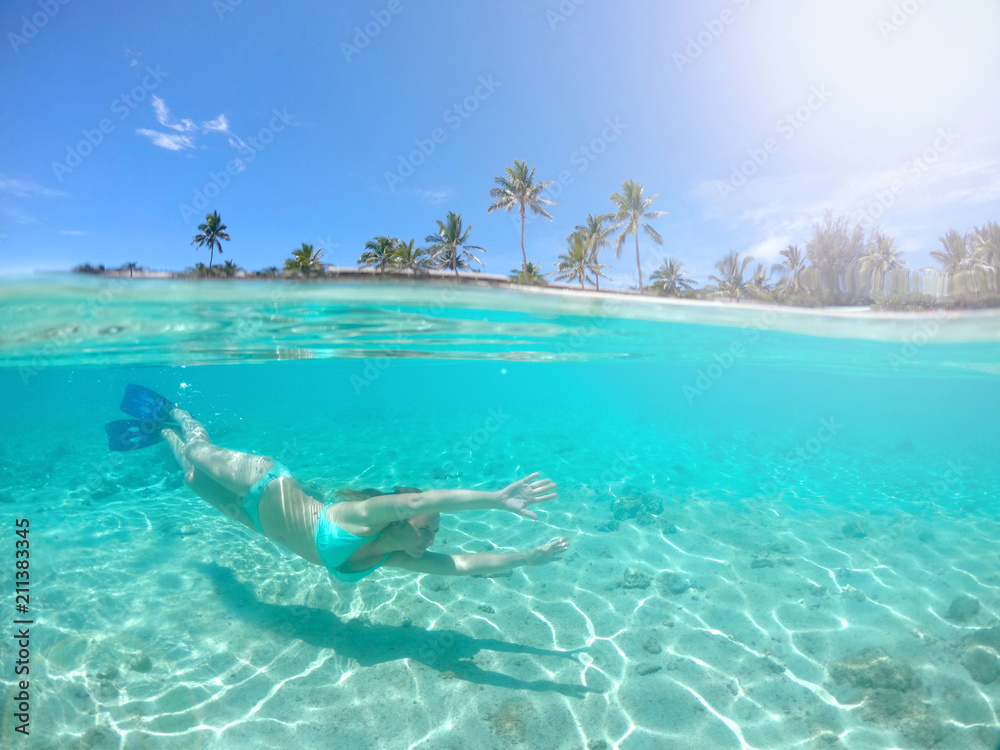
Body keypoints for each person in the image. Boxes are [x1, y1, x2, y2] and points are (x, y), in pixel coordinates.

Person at [105, 386, 570, 583]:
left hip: (254, 518)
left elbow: (462, 564)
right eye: (425, 529)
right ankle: (178, 415)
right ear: (399, 516)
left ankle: (161, 434)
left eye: (433, 534)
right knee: (199, 455)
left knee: (191, 479)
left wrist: (529, 557)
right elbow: (427, 498)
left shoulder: (391, 556)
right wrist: (496, 499)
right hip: (265, 482)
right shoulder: (364, 518)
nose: (431, 540)